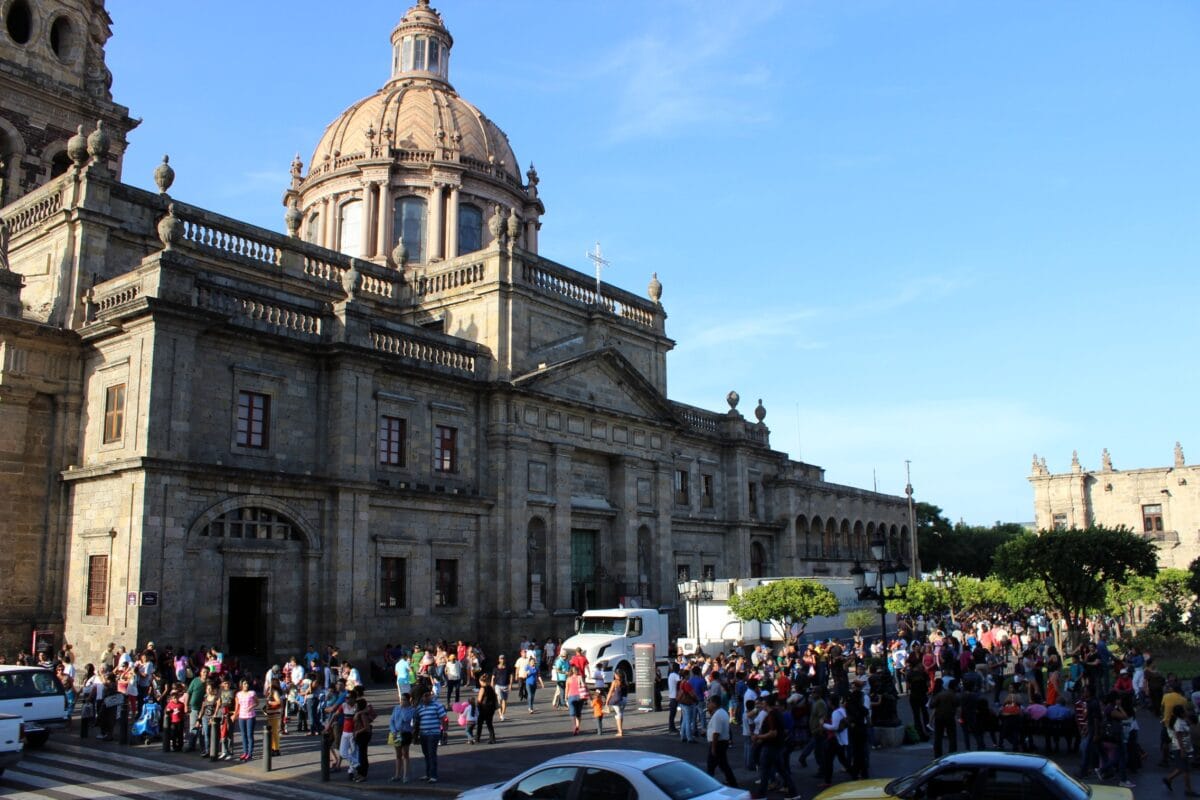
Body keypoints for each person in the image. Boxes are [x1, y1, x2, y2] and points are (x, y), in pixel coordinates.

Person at [1163, 703, 1197, 797]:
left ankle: (1168, 779)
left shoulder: (1182, 720)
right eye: (1184, 710)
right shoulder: (1178, 723)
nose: (1186, 711)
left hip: (1184, 747)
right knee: (1185, 770)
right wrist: (1182, 750)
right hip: (1180, 748)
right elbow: (1178, 737)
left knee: (1182, 768)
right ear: (1181, 713)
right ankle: (1188, 790)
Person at [705, 695, 738, 787]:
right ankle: (732, 782)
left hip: (718, 743)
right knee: (723, 765)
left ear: (714, 704)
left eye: (710, 703)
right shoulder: (722, 712)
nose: (708, 705)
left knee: (711, 766)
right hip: (723, 742)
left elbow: (716, 733)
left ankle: (708, 785)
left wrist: (713, 748)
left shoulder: (717, 715)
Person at [416, 690, 448, 783]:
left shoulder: (437, 705)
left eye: (427, 695)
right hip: (423, 734)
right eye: (424, 696)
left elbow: (444, 718)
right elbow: (417, 719)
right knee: (426, 754)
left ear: (430, 696)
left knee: (431, 754)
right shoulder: (420, 707)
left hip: (433, 733)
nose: (426, 697)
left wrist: (445, 731)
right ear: (422, 697)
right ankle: (428, 774)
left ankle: (433, 776)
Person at [389, 693, 416, 783]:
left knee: (405, 754)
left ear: (409, 700)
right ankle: (397, 775)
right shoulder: (396, 708)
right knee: (398, 754)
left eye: (404, 700)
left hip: (406, 733)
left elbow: (406, 719)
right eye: (401, 699)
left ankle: (405, 775)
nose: (402, 701)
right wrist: (393, 731)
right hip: (396, 733)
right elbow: (392, 720)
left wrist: (404, 709)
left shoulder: (411, 710)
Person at [234, 679, 258, 762]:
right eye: (244, 684)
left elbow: (257, 702)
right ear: (241, 685)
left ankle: (250, 753)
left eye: (247, 684)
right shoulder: (238, 694)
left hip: (250, 716)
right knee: (243, 735)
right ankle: (245, 752)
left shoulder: (252, 693)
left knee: (249, 735)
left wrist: (251, 706)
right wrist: (235, 715)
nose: (246, 685)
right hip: (241, 716)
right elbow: (237, 706)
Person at [352, 697, 372, 782]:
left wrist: (357, 732)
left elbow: (366, 727)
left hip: (363, 736)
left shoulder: (362, 715)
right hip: (360, 736)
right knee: (360, 755)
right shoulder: (359, 713)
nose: (354, 707)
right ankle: (360, 773)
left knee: (362, 756)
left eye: (356, 705)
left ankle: (363, 774)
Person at [476, 673, 498, 744]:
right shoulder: (491, 688)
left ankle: (477, 738)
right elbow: (495, 697)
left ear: (482, 681)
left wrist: (477, 707)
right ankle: (492, 738)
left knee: (480, 724)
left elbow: (479, 699)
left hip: (483, 708)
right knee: (489, 724)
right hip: (491, 708)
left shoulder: (482, 688)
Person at [566, 666, 586, 735]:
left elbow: (567, 688)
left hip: (571, 697)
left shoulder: (568, 679)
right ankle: (578, 727)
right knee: (578, 713)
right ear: (577, 671)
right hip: (580, 697)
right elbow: (584, 686)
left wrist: (566, 697)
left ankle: (574, 726)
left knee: (572, 713)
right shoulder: (580, 677)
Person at [606, 672, 626, 736]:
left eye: (615, 674)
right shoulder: (625, 682)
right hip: (624, 700)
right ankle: (620, 729)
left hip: (617, 701)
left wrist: (607, 702)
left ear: (618, 676)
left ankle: (620, 732)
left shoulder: (615, 682)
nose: (614, 675)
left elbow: (610, 692)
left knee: (618, 715)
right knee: (621, 714)